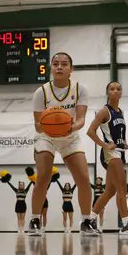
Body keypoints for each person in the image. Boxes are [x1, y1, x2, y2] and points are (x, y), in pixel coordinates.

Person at [29, 52, 98, 236]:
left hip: (70, 135)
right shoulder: (41, 92)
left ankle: (86, 222)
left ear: (71, 69)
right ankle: (35, 220)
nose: (59, 67)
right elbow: (37, 125)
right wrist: (51, 127)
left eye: (64, 64)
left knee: (84, 178)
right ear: (51, 68)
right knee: (43, 175)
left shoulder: (80, 89)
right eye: (56, 64)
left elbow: (81, 119)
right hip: (46, 136)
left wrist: (70, 127)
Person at [86, 81, 128, 235]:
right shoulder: (104, 111)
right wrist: (104, 145)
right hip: (110, 154)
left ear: (121, 93)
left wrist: (124, 143)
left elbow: (118, 132)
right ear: (107, 92)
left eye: (118, 89)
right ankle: (125, 224)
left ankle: (90, 220)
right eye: (112, 89)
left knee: (109, 192)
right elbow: (90, 131)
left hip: (119, 152)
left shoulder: (120, 112)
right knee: (122, 188)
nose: (116, 91)